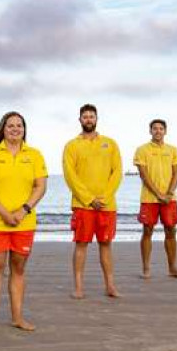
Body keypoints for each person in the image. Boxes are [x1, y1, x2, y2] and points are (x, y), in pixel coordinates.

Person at [0, 112, 47, 334]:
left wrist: (23, 210)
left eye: (19, 125)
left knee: (18, 269)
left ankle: (18, 317)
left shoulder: (34, 155)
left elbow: (40, 186)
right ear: (3, 129)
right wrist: (5, 214)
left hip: (24, 223)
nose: (15, 129)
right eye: (10, 125)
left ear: (24, 129)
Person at [62, 104, 123, 299]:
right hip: (83, 205)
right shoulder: (72, 145)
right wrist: (88, 199)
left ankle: (110, 286)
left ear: (97, 119)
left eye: (92, 116)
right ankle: (79, 287)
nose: (89, 119)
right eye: (85, 116)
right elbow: (70, 175)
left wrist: (104, 198)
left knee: (106, 244)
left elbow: (117, 172)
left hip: (106, 205)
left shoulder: (110, 143)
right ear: (80, 120)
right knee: (81, 244)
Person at [134, 119, 177, 279]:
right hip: (149, 198)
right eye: (154, 128)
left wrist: (169, 193)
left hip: (170, 199)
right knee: (147, 231)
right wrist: (158, 194)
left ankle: (172, 267)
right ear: (150, 131)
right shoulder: (142, 150)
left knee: (171, 231)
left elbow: (176, 173)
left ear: (165, 131)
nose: (158, 131)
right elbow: (144, 175)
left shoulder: (173, 150)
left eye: (161, 128)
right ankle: (146, 268)